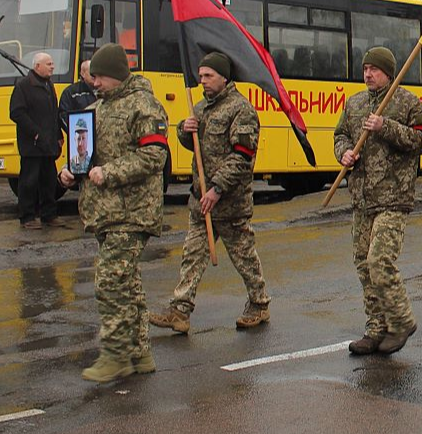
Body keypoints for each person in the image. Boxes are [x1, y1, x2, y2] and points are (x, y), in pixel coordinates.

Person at [58, 43, 169, 382]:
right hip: (104, 212)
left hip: (133, 212)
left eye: (101, 77)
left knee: (108, 280)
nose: (95, 83)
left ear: (117, 76)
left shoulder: (144, 106)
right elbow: (87, 152)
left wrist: (110, 172)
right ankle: (139, 353)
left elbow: (154, 158)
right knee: (128, 284)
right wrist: (71, 170)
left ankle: (115, 354)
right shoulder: (97, 108)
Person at [148, 53, 270, 335]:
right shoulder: (201, 108)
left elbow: (242, 157)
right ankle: (180, 311)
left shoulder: (241, 110)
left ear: (223, 77)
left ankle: (259, 304)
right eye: (200, 75)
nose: (202, 81)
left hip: (230, 203)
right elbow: (196, 145)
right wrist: (183, 130)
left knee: (244, 258)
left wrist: (216, 188)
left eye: (208, 76)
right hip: (201, 201)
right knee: (192, 255)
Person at [334, 47, 422, 355]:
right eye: (365, 69)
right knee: (364, 266)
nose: (367, 74)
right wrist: (344, 153)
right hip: (362, 198)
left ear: (388, 73)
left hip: (393, 197)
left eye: (374, 69)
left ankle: (401, 321)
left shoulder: (407, 103)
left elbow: (421, 140)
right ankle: (376, 328)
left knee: (380, 261)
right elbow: (340, 136)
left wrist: (384, 127)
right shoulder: (355, 104)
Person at [10, 52, 65, 229]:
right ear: (37, 66)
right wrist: (34, 133)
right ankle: (27, 217)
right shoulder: (23, 86)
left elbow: (54, 113)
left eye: (52, 63)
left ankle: (49, 215)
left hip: (48, 144)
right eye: (48, 64)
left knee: (49, 181)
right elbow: (16, 113)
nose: (52, 66)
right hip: (32, 146)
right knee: (28, 182)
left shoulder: (49, 85)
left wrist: (58, 135)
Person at [59, 59, 97, 131]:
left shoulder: (105, 90)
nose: (94, 75)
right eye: (91, 73)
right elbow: (63, 115)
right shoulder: (70, 92)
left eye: (96, 72)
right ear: (82, 74)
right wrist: (76, 131)